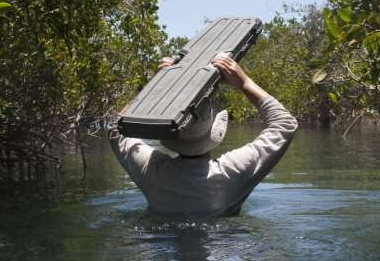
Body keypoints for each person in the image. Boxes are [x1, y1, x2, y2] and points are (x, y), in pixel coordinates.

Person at [109, 53, 298, 217]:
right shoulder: (232, 171)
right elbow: (285, 124)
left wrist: (157, 86)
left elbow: (115, 128)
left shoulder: (151, 170)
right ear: (214, 129)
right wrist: (244, 82)